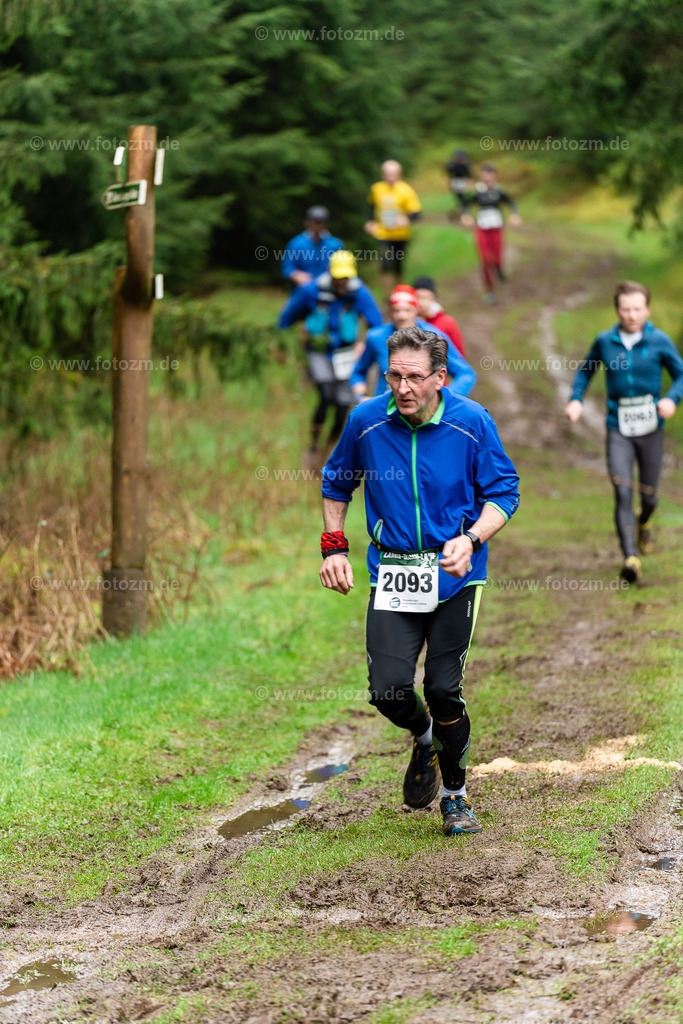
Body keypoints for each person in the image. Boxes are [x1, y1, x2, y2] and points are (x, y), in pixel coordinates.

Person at [320, 326, 519, 837]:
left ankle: (455, 797)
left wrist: (471, 538)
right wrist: (333, 546)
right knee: (387, 691)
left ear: (440, 378)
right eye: (394, 377)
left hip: (456, 575)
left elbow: (504, 492)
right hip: (394, 571)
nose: (402, 388)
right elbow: (336, 482)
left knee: (443, 688)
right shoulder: (366, 420)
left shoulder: (472, 422)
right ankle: (424, 734)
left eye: (414, 378)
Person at [565, 281, 683, 583]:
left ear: (647, 310)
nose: (631, 315)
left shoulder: (659, 341)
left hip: (651, 425)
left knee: (651, 497)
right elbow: (586, 370)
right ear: (617, 310)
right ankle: (630, 557)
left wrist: (671, 398)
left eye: (637, 309)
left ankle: (644, 523)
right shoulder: (605, 341)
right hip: (618, 426)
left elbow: (680, 374)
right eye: (626, 309)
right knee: (622, 490)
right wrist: (576, 399)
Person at [278, 250, 383, 462]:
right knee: (326, 394)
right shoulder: (311, 291)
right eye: (339, 276)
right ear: (330, 272)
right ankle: (314, 446)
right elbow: (286, 318)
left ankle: (329, 449)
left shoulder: (360, 293)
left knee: (344, 403)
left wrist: (364, 344)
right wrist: (282, 345)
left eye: (346, 277)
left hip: (346, 354)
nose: (343, 281)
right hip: (318, 351)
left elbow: (377, 325)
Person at [350, 285, 475, 400]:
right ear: (390, 312)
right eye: (396, 311)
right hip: (385, 412)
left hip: (422, 413)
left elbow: (465, 374)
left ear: (416, 310)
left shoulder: (434, 337)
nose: (402, 316)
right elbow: (358, 371)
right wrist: (361, 396)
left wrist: (442, 400)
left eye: (407, 310)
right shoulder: (376, 337)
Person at [459, 164, 521, 304]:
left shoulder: (499, 191)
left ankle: (499, 269)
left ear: (494, 176)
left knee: (497, 257)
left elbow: (511, 203)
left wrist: (514, 214)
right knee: (485, 260)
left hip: (496, 228)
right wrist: (465, 216)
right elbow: (465, 205)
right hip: (482, 228)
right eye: (485, 174)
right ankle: (489, 290)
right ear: (482, 176)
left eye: (490, 174)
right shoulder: (477, 191)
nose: (487, 177)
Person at [365, 160, 422, 296]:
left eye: (393, 174)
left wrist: (407, 219)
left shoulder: (406, 190)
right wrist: (370, 222)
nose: (390, 177)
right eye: (387, 174)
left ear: (399, 174)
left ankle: (399, 293)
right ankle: (387, 296)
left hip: (400, 235)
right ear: (382, 175)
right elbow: (370, 206)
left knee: (398, 265)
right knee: (384, 264)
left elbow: (417, 213)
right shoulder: (376, 189)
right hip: (383, 233)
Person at [281, 206, 344, 287]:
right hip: (304, 289)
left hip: (329, 288)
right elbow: (287, 268)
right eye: (314, 221)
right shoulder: (297, 243)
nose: (317, 225)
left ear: (326, 224)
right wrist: (297, 275)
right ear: (307, 222)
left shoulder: (335, 244)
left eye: (321, 222)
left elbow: (343, 268)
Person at [412, 276, 466, 357]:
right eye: (418, 297)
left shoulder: (447, 322)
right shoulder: (408, 321)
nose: (421, 302)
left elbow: (458, 354)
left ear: (433, 299)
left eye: (425, 298)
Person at [445, 149, 471, 215]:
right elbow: (450, 175)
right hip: (456, 181)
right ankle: (462, 207)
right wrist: (450, 183)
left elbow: (468, 175)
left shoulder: (465, 165)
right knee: (458, 195)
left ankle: (463, 208)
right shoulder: (453, 165)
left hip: (462, 181)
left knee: (463, 195)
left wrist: (467, 183)